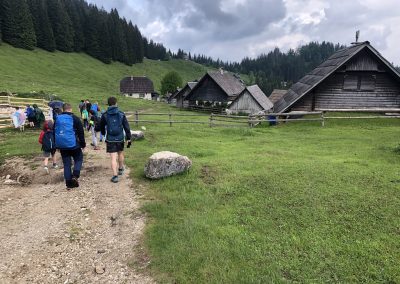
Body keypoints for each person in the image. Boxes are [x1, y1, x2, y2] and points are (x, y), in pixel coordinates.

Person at [100, 97, 132, 183]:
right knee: (120, 153)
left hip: (110, 138)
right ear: (116, 103)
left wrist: (103, 134)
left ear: (108, 104)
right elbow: (126, 127)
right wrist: (128, 138)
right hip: (120, 138)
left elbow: (101, 126)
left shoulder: (105, 115)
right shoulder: (121, 114)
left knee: (113, 158)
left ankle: (115, 176)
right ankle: (121, 168)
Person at [54, 103, 86, 189]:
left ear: (63, 109)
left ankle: (68, 183)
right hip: (74, 145)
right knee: (79, 158)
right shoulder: (75, 118)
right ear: (70, 109)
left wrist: (56, 145)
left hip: (62, 145)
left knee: (67, 164)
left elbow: (55, 132)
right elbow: (80, 132)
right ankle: (75, 176)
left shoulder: (57, 118)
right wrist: (83, 144)